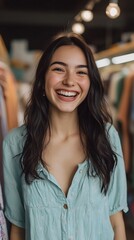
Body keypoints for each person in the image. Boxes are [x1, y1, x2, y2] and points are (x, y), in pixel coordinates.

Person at [3, 32, 128, 240]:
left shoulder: (107, 138)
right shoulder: (15, 144)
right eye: (59, 69)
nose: (70, 81)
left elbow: (116, 222)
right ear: (43, 79)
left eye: (81, 72)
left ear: (90, 82)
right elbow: (18, 229)